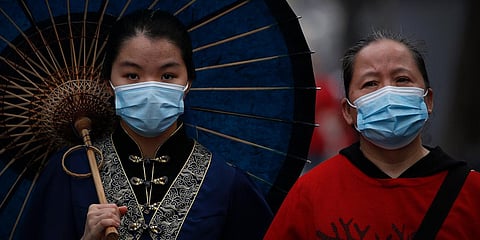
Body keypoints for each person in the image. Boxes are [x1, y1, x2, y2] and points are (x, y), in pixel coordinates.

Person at [18, 9, 272, 240]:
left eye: (167, 76)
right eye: (132, 75)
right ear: (109, 82)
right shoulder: (72, 171)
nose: (150, 88)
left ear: (188, 83)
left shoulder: (226, 182)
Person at [263, 30, 480, 239]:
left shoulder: (472, 192)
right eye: (370, 83)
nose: (388, 92)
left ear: (427, 100)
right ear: (348, 111)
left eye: (402, 79)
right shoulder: (310, 193)